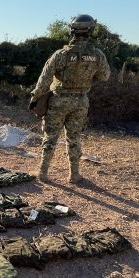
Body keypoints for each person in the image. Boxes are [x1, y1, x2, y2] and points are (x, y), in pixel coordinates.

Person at [29, 14, 110, 183]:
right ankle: (74, 174)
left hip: (59, 100)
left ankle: (43, 173)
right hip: (81, 101)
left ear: (71, 31)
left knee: (50, 137)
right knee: (74, 138)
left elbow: (44, 79)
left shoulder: (61, 55)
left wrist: (35, 97)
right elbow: (105, 76)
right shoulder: (98, 55)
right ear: (90, 31)